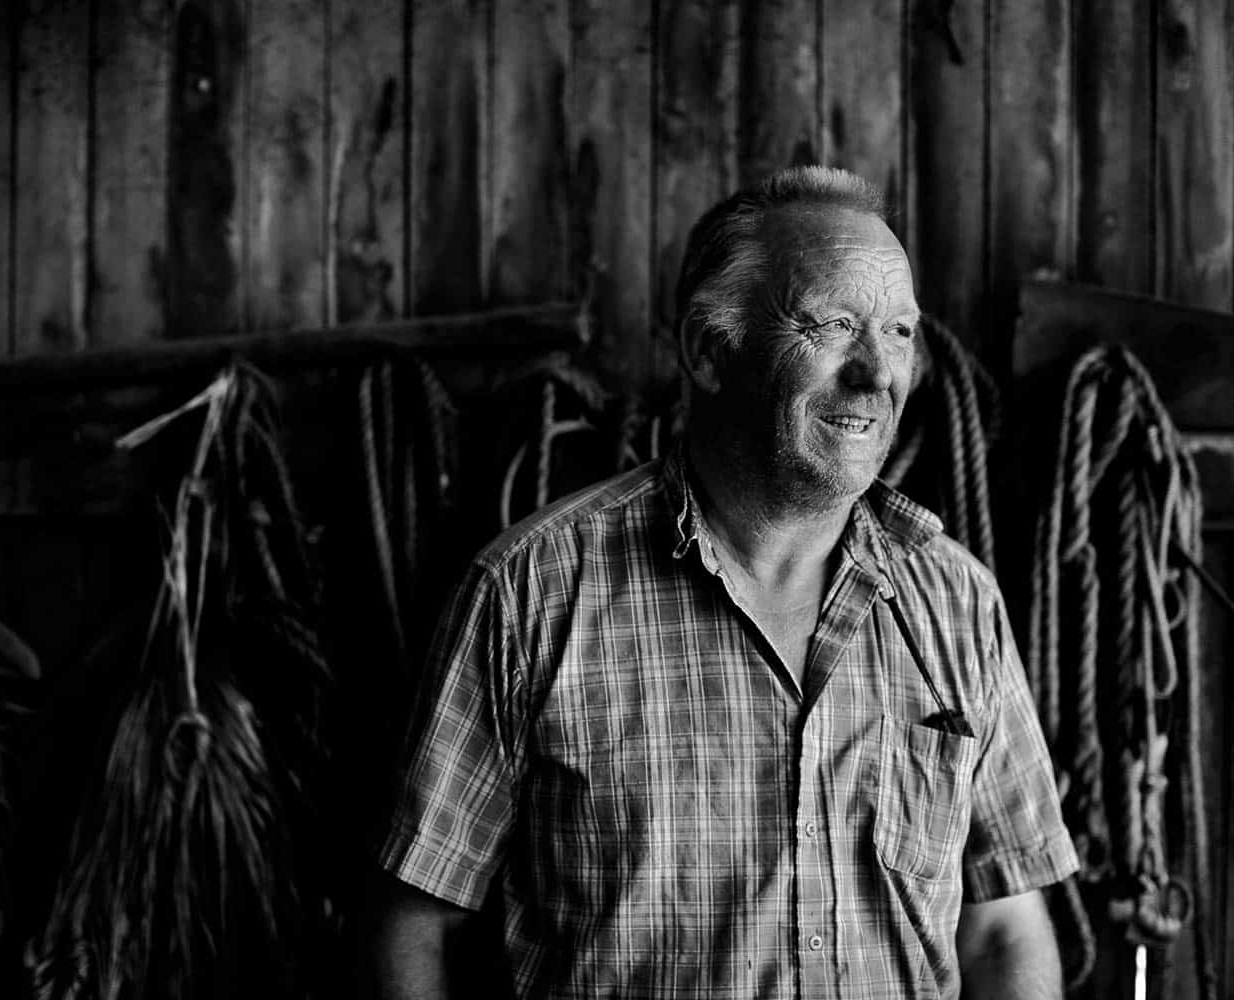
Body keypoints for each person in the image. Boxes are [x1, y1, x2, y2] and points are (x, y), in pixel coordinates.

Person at [367, 166, 1079, 999]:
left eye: (898, 332)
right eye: (836, 325)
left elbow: (1002, 932)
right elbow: (416, 927)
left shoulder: (957, 601)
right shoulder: (531, 591)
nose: (876, 374)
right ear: (710, 351)